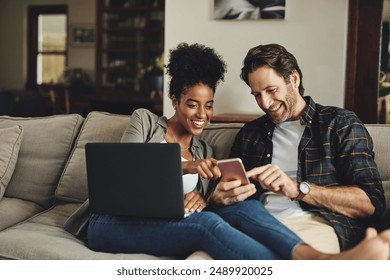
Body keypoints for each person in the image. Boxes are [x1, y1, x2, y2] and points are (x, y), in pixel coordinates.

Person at [66, 43, 390, 260]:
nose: (263, 103)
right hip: (111, 221)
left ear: (294, 79)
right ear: (175, 101)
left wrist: (209, 197)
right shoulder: (146, 122)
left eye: (208, 106)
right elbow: (128, 171)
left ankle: (317, 260)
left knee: (239, 212)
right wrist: (190, 170)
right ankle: (316, 264)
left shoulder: (206, 149)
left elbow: (218, 203)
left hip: (190, 223)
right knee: (209, 225)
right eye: (192, 104)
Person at [206, 43, 387, 253]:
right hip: (256, 223)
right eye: (257, 94)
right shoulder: (250, 134)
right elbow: (226, 195)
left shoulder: (339, 123)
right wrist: (218, 198)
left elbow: (371, 204)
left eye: (271, 90)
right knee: (197, 262)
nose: (265, 103)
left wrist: (298, 189)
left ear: (293, 79)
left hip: (316, 223)